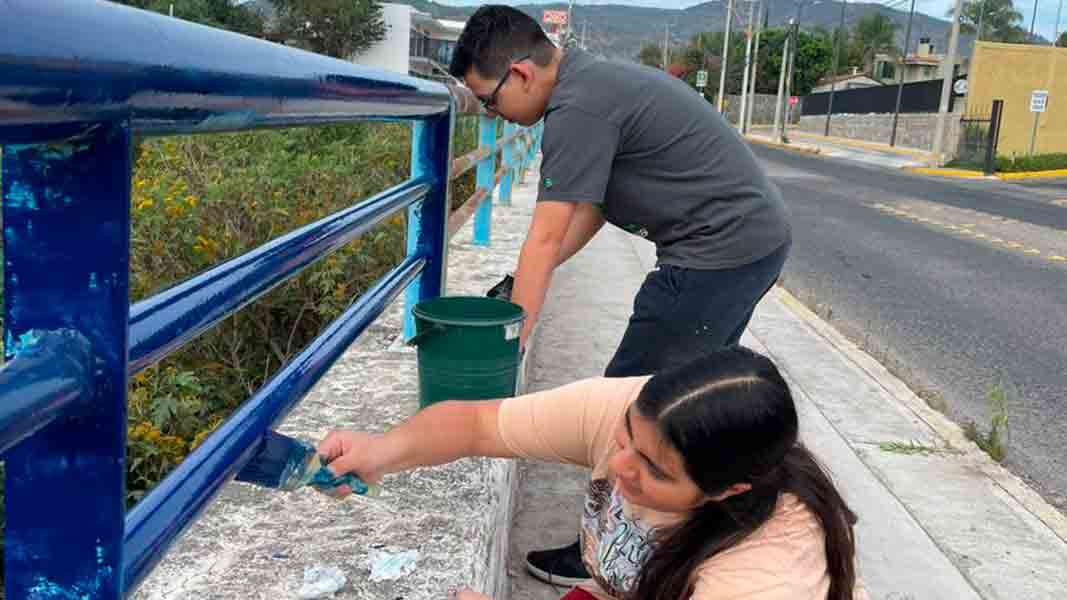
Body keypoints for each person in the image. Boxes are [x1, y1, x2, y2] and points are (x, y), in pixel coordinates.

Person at [449, 5, 793, 583]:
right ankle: (688, 542)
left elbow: (548, 231)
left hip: (717, 253)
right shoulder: (593, 83)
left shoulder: (577, 107)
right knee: (688, 415)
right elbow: (593, 208)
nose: (494, 115)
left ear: (522, 75)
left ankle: (602, 560)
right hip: (740, 244)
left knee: (633, 414)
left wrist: (509, 342)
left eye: (489, 101)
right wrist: (520, 286)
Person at [318, 348, 863, 600]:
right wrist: (380, 451)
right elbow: (477, 423)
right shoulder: (643, 415)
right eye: (626, 437)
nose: (619, 465)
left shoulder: (764, 576)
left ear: (728, 490)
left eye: (652, 470)